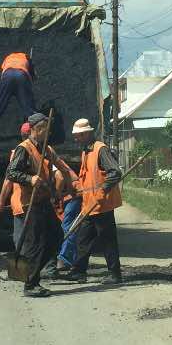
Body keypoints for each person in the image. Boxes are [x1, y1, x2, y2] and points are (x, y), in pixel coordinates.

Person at [5, 113, 68, 297]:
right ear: (36, 129)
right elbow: (12, 173)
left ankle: (32, 273)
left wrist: (56, 192)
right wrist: (29, 178)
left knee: (56, 235)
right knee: (35, 244)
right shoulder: (23, 149)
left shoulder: (45, 148)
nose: (48, 133)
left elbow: (57, 170)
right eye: (45, 130)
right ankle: (31, 285)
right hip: (29, 203)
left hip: (43, 199)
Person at [67, 118, 123, 284]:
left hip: (102, 204)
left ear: (87, 134)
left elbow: (115, 172)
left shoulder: (101, 150)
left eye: (78, 136)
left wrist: (102, 190)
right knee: (83, 239)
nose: (76, 139)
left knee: (107, 240)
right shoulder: (86, 151)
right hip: (89, 205)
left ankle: (115, 274)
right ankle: (79, 272)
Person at [0, 122, 31, 248]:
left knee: (21, 241)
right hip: (37, 203)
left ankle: (25, 265)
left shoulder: (19, 151)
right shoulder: (43, 151)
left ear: (22, 136)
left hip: (23, 203)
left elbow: (9, 179)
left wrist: (1, 202)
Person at [0, 51, 37, 141]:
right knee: (28, 106)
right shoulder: (26, 57)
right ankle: (32, 132)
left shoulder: (8, 57)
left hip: (7, 76)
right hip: (21, 76)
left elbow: (3, 70)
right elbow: (33, 74)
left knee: (0, 104)